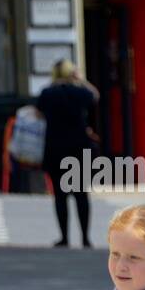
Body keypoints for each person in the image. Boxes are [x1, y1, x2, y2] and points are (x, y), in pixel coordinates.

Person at [36, 59, 100, 248]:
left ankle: (64, 237)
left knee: (60, 195)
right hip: (78, 149)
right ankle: (85, 238)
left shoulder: (48, 93)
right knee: (81, 195)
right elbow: (95, 96)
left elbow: (39, 113)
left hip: (55, 149)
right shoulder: (80, 92)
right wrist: (81, 80)